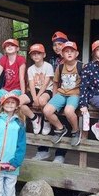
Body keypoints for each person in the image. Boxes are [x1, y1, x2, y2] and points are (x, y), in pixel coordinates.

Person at [0, 38, 40, 130]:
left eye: (12, 45)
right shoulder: (3, 59)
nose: (9, 47)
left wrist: (23, 93)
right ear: (4, 49)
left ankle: (14, 122)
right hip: (6, 89)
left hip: (17, 89)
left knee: (9, 101)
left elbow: (21, 77)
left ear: (17, 49)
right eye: (7, 46)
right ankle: (3, 117)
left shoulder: (20, 59)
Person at [34, 31, 69, 163]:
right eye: (55, 45)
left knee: (63, 123)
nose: (57, 47)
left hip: (67, 94)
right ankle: (43, 151)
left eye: (60, 44)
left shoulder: (71, 59)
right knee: (45, 121)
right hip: (52, 93)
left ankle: (60, 154)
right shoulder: (52, 61)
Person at [43, 41, 83, 149]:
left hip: (75, 94)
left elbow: (86, 84)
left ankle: (75, 131)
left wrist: (84, 101)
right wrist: (54, 97)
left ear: (76, 53)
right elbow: (55, 83)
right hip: (61, 93)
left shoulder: (81, 66)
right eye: (66, 51)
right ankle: (60, 128)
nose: (69, 53)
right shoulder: (60, 67)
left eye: (72, 51)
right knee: (47, 110)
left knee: (68, 111)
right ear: (62, 54)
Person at [26, 43, 54, 135]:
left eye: (39, 53)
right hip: (35, 90)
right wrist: (34, 98)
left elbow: (46, 84)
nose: (36, 55)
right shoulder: (30, 69)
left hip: (46, 90)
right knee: (19, 102)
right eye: (33, 54)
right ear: (31, 56)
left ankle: (46, 120)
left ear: (44, 55)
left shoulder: (48, 66)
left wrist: (37, 98)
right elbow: (31, 84)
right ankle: (35, 119)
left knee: (42, 101)